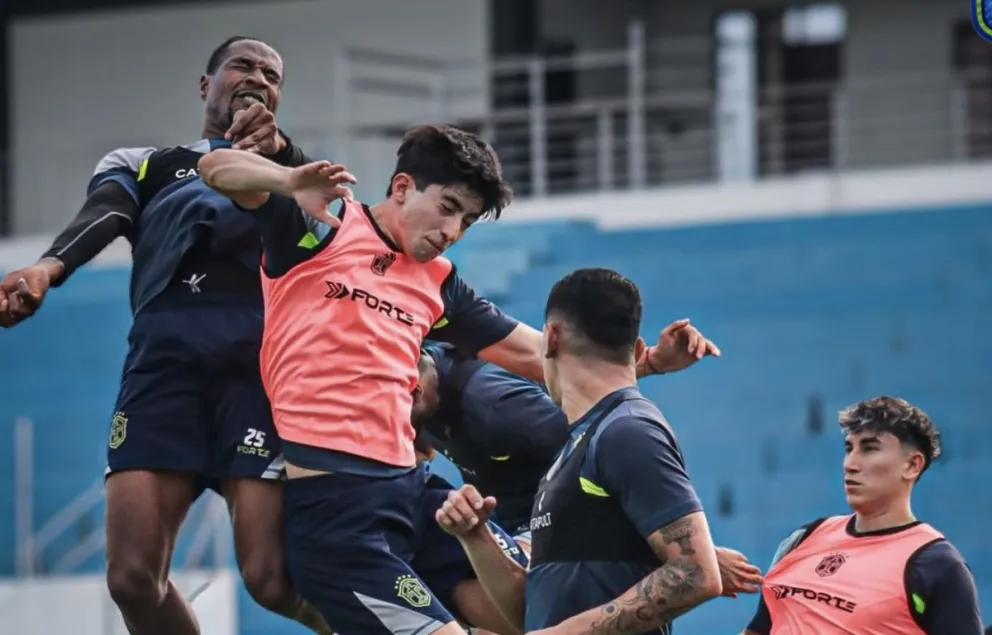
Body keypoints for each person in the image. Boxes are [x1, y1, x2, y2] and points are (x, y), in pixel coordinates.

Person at [197, 125, 720, 635]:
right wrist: (286, 181)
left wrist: (647, 362)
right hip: (340, 514)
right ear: (402, 187)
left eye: (467, 221)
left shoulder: (439, 282)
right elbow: (213, 167)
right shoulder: (320, 227)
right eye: (448, 208)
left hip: (417, 493)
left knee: (542, 611)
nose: (452, 232)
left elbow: (542, 352)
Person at [0, 36, 332, 635]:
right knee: (131, 579)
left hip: (258, 380)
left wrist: (279, 158)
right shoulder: (144, 163)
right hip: (164, 373)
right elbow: (105, 215)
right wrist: (46, 269)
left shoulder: (301, 176)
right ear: (207, 85)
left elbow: (317, 243)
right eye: (243, 65)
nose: (258, 76)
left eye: (272, 73)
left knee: (272, 580)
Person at [436, 267, 762, 635]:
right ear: (638, 350)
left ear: (551, 338)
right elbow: (531, 619)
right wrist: (474, 535)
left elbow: (697, 573)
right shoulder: (574, 448)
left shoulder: (627, 429)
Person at [416, 322, 710, 553]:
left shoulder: (495, 406)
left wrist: (677, 544)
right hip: (507, 519)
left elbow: (594, 441)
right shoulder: (403, 405)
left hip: (564, 522)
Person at [741, 396, 984, 635]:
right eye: (849, 448)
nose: (850, 463)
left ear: (912, 466)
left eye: (869, 449)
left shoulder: (938, 565)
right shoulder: (805, 537)